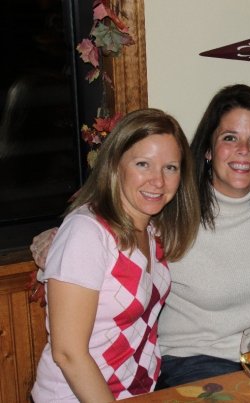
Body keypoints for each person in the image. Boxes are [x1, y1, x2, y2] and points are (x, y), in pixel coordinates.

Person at [29, 84, 250, 387]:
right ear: (208, 150)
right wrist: (56, 235)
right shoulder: (173, 209)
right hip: (196, 358)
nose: (243, 150)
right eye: (229, 137)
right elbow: (104, 221)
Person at [30, 108, 201, 401]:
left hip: (136, 393)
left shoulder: (153, 230)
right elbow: (68, 353)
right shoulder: (86, 232)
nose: (158, 181)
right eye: (143, 164)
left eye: (170, 168)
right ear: (115, 164)